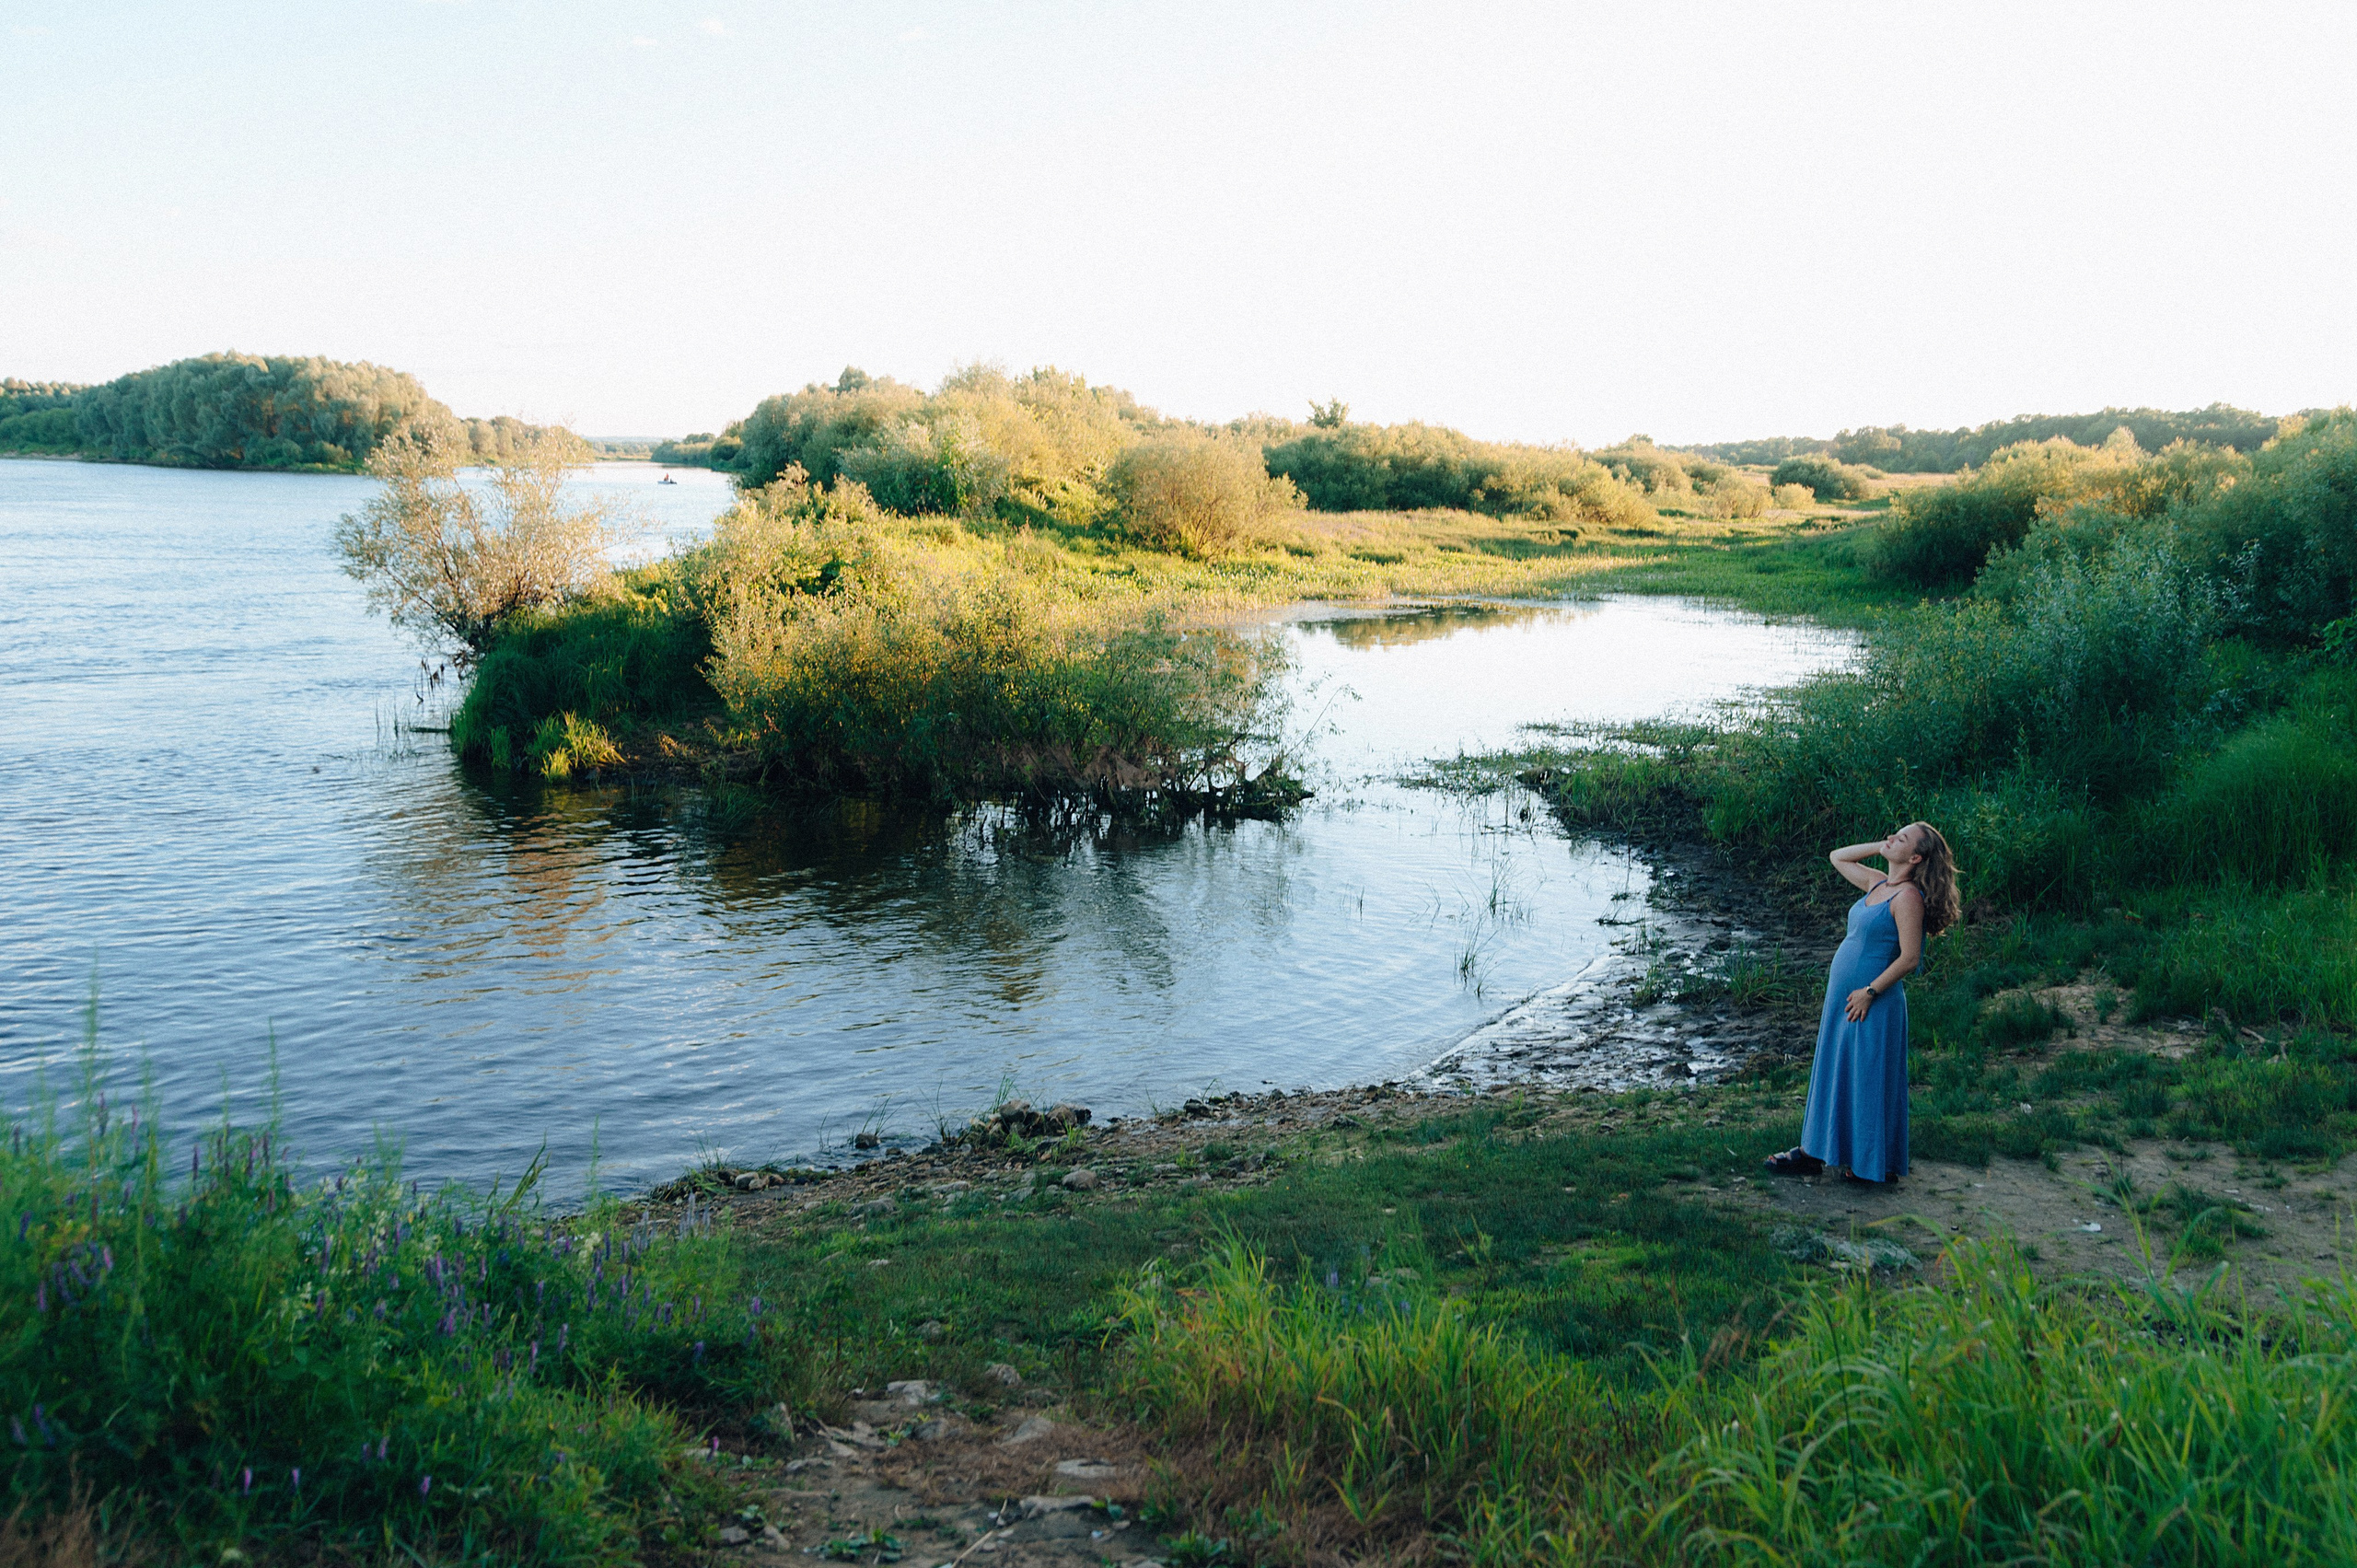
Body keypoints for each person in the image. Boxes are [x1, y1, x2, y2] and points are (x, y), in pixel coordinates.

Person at [1764, 822, 1957, 1184]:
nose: (1892, 838)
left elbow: (1910, 958)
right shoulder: (1878, 884)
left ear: (1916, 857)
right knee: (1836, 1071)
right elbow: (1837, 857)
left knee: (1867, 1078)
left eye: (1902, 839)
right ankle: (1813, 1152)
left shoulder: (1908, 899)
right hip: (1845, 999)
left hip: (1874, 1002)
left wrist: (1870, 992)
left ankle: (1871, 1164)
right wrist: (1882, 846)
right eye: (1894, 833)